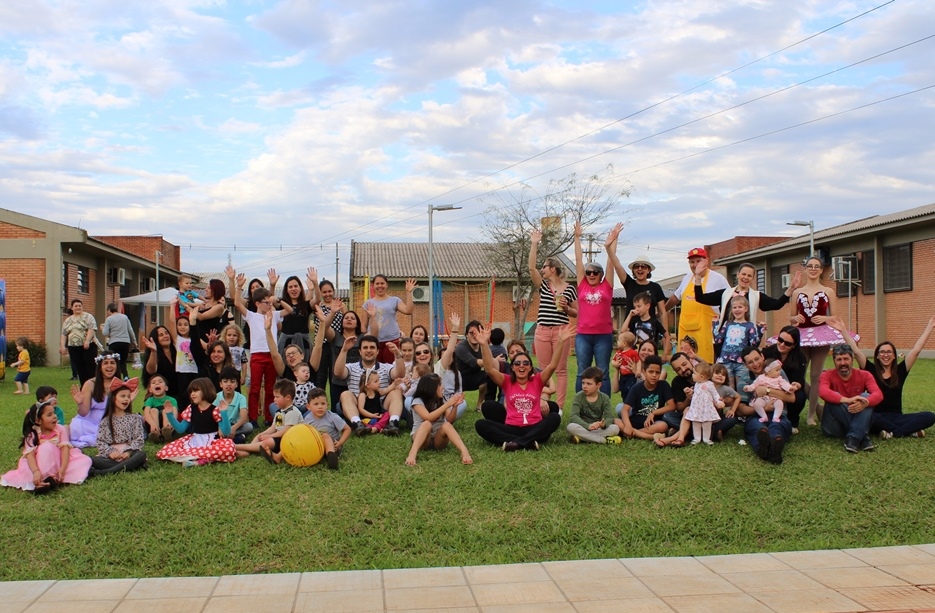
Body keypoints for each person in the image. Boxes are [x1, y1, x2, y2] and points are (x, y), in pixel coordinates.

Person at [833, 317, 935, 439]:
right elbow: (856, 352)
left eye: (889, 352)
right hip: (876, 416)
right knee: (869, 419)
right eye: (882, 352)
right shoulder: (870, 369)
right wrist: (843, 330)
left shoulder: (900, 370)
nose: (885, 355)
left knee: (930, 416)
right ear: (877, 356)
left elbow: (916, 350)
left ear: (893, 356)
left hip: (897, 416)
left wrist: (930, 327)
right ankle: (908, 431)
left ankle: (893, 432)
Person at [474, 324, 572, 451]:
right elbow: (489, 369)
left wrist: (560, 342)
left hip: (534, 425)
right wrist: (483, 344)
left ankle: (515, 443)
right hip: (511, 426)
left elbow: (552, 366)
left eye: (526, 363)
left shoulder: (537, 380)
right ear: (513, 367)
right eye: (517, 363)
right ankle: (529, 441)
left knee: (554, 418)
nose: (522, 366)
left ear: (530, 367)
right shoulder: (507, 381)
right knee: (480, 425)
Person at [793, 255, 857, 426]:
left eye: (817, 266)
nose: (813, 269)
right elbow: (790, 317)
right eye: (810, 266)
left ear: (821, 270)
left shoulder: (828, 291)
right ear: (805, 269)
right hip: (803, 335)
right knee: (798, 373)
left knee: (815, 375)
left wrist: (824, 318)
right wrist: (795, 318)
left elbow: (835, 316)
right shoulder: (797, 292)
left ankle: (811, 415)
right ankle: (815, 406)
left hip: (821, 335)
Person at [694, 261, 801, 351]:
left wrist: (791, 289)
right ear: (738, 274)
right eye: (743, 274)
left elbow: (777, 305)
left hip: (746, 341)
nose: (746, 277)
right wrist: (698, 276)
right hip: (723, 341)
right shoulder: (725, 293)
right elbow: (700, 298)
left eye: (749, 275)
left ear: (752, 278)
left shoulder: (756, 296)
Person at [227, 265, 285, 425]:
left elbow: (286, 309)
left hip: (272, 355)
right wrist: (238, 286)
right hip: (257, 355)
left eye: (269, 301)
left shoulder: (273, 314)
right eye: (265, 302)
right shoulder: (251, 316)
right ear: (258, 303)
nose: (268, 304)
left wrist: (275, 296)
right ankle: (252, 418)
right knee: (254, 388)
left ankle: (268, 417)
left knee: (271, 388)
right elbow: (238, 303)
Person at [529, 228, 578, 406]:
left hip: (561, 331)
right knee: (543, 370)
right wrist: (534, 243)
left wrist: (566, 308)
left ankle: (559, 406)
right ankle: (544, 402)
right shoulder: (543, 285)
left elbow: (576, 312)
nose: (542, 270)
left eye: (545, 267)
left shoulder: (570, 288)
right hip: (542, 331)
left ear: (553, 269)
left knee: (561, 369)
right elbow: (531, 268)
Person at [1, 399, 92, 492]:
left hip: (59, 462)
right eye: (49, 415)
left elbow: (65, 449)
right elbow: (30, 455)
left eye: (54, 413)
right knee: (45, 448)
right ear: (39, 421)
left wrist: (63, 469)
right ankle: (44, 480)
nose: (54, 417)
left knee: (85, 461)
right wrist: (36, 471)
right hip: (39, 466)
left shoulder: (60, 429)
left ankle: (55, 477)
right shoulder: (32, 435)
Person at [572, 221, 618, 395]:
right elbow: (578, 259)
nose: (591, 275)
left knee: (603, 373)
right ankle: (581, 405)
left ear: (601, 276)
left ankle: (603, 407)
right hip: (583, 335)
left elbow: (611, 262)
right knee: (581, 372)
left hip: (603, 337)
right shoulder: (582, 285)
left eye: (595, 273)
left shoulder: (607, 286)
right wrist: (577, 237)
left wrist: (614, 239)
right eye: (588, 272)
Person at [334, 334, 407, 436]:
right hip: (357, 408)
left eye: (372, 347)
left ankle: (393, 424)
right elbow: (337, 373)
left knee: (396, 392)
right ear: (360, 351)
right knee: (345, 394)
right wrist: (344, 350)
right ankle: (358, 425)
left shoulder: (386, 367)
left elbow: (400, 374)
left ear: (377, 351)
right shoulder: (351, 367)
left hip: (381, 407)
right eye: (365, 348)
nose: (368, 350)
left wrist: (397, 354)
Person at [666, 248, 730, 364]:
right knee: (685, 364)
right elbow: (676, 297)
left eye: (698, 261)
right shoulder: (687, 278)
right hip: (685, 331)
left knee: (705, 366)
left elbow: (730, 301)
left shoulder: (718, 279)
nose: (695, 265)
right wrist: (663, 310)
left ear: (706, 261)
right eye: (692, 262)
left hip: (707, 332)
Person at [818, 344, 882, 453]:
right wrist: (846, 400)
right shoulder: (827, 375)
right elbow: (822, 392)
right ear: (834, 361)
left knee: (866, 398)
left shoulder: (865, 375)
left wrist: (866, 403)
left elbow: (878, 394)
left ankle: (853, 437)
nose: (843, 363)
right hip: (834, 427)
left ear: (852, 359)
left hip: (856, 420)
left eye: (846, 359)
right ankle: (862, 436)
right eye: (839, 359)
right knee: (833, 397)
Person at [157, 377, 236, 465]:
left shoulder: (215, 410)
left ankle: (196, 462)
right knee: (166, 450)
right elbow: (180, 429)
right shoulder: (191, 409)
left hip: (212, 441)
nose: (192, 394)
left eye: (195, 391)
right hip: (195, 440)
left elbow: (226, 432)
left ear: (206, 390)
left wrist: (224, 412)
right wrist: (169, 414)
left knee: (227, 449)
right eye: (191, 391)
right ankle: (202, 458)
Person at [739, 347, 795, 464]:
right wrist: (763, 408)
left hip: (779, 415)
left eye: (757, 359)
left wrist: (767, 390)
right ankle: (765, 449)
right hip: (756, 415)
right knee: (758, 428)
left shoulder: (777, 371)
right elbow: (740, 409)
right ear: (745, 365)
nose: (755, 364)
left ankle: (774, 445)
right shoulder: (744, 379)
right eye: (750, 362)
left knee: (777, 427)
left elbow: (791, 397)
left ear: (762, 357)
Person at [405, 374, 473, 466]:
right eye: (440, 385)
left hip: (438, 440)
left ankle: (464, 451)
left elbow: (450, 419)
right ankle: (412, 453)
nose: (443, 387)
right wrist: (448, 404)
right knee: (427, 424)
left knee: (447, 425)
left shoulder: (441, 400)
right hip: (422, 440)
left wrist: (455, 406)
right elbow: (428, 417)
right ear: (431, 388)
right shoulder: (418, 401)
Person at [90, 378, 147, 477]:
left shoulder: (134, 418)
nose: (126, 399)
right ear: (113, 398)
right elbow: (101, 441)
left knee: (141, 455)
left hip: (129, 454)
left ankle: (105, 472)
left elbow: (138, 439)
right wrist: (110, 452)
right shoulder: (105, 421)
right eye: (123, 396)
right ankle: (130, 466)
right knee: (92, 460)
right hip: (111, 457)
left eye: (128, 397)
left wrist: (128, 452)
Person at [236, 379, 302, 461]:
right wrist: (264, 434)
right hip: (279, 438)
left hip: (289, 440)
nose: (274, 400)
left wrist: (270, 436)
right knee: (259, 436)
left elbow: (286, 431)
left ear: (288, 397)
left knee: (267, 442)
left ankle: (237, 446)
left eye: (277, 397)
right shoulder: (279, 412)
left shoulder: (292, 412)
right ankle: (247, 451)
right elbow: (274, 427)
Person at [615, 355, 674, 442]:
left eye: (657, 372)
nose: (654, 375)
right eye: (651, 372)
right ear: (644, 371)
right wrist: (628, 425)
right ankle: (649, 436)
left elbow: (672, 406)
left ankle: (633, 433)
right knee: (615, 421)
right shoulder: (636, 388)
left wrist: (653, 413)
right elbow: (625, 409)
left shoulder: (663, 385)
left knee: (663, 426)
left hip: (653, 422)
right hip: (637, 419)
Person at [360, 275, 417, 364]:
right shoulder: (368, 303)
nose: (380, 286)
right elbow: (363, 325)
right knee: (375, 369)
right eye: (377, 284)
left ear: (387, 285)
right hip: (374, 342)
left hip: (392, 341)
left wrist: (409, 292)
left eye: (382, 283)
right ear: (373, 285)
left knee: (391, 369)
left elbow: (408, 310)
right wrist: (365, 338)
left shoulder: (394, 300)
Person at [69, 353, 121, 448]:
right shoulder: (90, 384)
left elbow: (121, 412)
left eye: (112, 363)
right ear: (100, 367)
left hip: (110, 421)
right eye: (105, 363)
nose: (109, 366)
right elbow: (84, 412)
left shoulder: (121, 385)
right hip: (89, 422)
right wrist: (80, 403)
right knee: (74, 427)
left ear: (117, 366)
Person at [762, 326, 808, 432]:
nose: (782, 344)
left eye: (787, 343)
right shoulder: (768, 352)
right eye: (780, 340)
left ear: (794, 345)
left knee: (800, 396)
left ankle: (792, 420)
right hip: (768, 385)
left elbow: (799, 379)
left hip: (788, 387)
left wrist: (796, 385)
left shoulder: (799, 357)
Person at [714, 295, 761, 390]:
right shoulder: (727, 323)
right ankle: (732, 405)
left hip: (741, 362)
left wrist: (760, 330)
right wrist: (715, 325)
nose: (737, 309)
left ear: (746, 309)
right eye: (734, 307)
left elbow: (754, 344)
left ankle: (742, 404)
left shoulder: (749, 325)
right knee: (729, 389)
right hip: (726, 360)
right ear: (731, 310)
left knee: (741, 388)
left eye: (740, 307)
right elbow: (718, 340)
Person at [567, 367, 621, 444]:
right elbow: (573, 416)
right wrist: (588, 426)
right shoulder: (578, 396)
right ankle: (604, 440)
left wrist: (603, 424)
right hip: (583, 426)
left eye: (589, 384)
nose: (584, 386)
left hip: (597, 428)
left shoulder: (604, 397)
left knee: (615, 428)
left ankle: (582, 437)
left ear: (598, 385)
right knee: (571, 427)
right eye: (583, 383)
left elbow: (609, 417)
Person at [310, 274, 344, 394]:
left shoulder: (341, 305)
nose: (327, 294)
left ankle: (335, 407)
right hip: (321, 346)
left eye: (330, 291)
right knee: (320, 377)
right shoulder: (318, 306)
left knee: (335, 377)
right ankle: (318, 402)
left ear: (334, 291)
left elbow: (345, 323)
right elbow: (322, 326)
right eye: (324, 292)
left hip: (336, 345)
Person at [303, 388, 350, 460]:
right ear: (308, 407)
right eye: (316, 404)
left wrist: (340, 442)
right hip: (317, 446)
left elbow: (347, 429)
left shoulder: (333, 417)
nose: (320, 407)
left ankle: (331, 457)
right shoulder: (307, 418)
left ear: (327, 405)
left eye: (323, 403)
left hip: (334, 446)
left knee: (324, 435)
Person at [60, 298, 99, 385]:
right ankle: (84, 386)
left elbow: (91, 329)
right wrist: (62, 346)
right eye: (76, 306)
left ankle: (93, 385)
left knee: (90, 367)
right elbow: (63, 334)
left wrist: (87, 341)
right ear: (72, 308)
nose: (78, 307)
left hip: (88, 346)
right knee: (80, 367)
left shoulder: (88, 317)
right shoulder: (68, 320)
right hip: (73, 347)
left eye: (79, 306)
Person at [455, 320, 492, 408]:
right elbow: (474, 363)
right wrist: (493, 361)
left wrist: (485, 343)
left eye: (477, 332)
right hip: (459, 378)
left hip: (475, 375)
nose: (475, 335)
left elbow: (490, 359)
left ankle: (480, 405)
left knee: (489, 376)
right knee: (459, 407)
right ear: (466, 335)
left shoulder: (483, 345)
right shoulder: (461, 347)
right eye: (472, 332)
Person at [684, 363, 723, 445]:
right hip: (696, 408)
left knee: (707, 424)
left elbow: (715, 394)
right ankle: (697, 438)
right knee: (696, 423)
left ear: (701, 376)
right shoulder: (696, 384)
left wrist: (719, 401)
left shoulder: (709, 384)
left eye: (694, 373)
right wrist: (689, 391)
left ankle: (706, 438)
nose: (692, 375)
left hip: (706, 408)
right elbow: (695, 392)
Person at [277, 273, 314, 361]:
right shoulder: (282, 305)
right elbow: (270, 302)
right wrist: (272, 285)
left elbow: (317, 300)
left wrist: (314, 286)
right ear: (286, 290)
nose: (293, 289)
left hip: (304, 344)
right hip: (286, 344)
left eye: (295, 286)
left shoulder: (305, 305)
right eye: (290, 287)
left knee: (303, 369)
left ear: (300, 288)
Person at [622, 292, 670, 357]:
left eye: (639, 306)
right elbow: (623, 331)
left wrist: (665, 353)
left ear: (647, 306)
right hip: (637, 355)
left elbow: (667, 336)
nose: (636, 309)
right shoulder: (635, 321)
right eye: (635, 307)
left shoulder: (655, 322)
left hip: (651, 356)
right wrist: (630, 316)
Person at [356, 370, 402, 435]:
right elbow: (361, 409)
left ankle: (375, 429)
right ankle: (378, 428)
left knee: (387, 414)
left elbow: (386, 390)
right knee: (364, 423)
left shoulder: (377, 392)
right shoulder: (363, 395)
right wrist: (372, 415)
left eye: (378, 380)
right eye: (376, 381)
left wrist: (394, 384)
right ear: (368, 385)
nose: (379, 383)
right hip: (368, 419)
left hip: (378, 418)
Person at [215, 366, 251, 444]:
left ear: (237, 384)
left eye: (232, 381)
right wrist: (219, 428)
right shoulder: (217, 397)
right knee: (208, 426)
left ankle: (223, 438)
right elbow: (212, 416)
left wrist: (233, 428)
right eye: (225, 381)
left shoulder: (241, 398)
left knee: (249, 427)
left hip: (235, 425)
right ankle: (235, 439)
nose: (229, 384)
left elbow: (244, 417)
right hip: (221, 424)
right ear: (221, 384)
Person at [143, 325, 177, 400]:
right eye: (161, 335)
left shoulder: (177, 352)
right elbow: (151, 370)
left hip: (178, 395)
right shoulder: (154, 355)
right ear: (156, 339)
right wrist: (153, 351)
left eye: (166, 333)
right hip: (160, 397)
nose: (165, 336)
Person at [100, 304, 134, 379]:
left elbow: (105, 333)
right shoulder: (125, 317)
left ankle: (116, 377)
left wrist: (102, 328)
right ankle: (125, 376)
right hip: (125, 342)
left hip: (114, 342)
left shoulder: (109, 319)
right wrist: (134, 341)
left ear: (109, 310)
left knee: (114, 360)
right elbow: (130, 330)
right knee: (123, 361)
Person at [142, 374, 177, 444]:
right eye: (153, 382)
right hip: (153, 424)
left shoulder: (172, 400)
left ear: (166, 388)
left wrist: (172, 422)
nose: (157, 383)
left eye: (160, 382)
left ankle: (167, 432)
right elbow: (146, 413)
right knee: (153, 410)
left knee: (165, 411)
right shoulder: (150, 400)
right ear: (150, 390)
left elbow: (175, 411)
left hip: (169, 424)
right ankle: (156, 434)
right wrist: (152, 424)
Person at [610, 331, 639, 403]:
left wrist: (637, 370)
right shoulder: (618, 352)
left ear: (624, 343)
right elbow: (612, 361)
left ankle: (629, 403)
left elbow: (638, 361)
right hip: (622, 375)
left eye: (619, 340)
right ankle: (625, 402)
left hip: (631, 375)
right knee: (623, 389)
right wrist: (616, 364)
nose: (617, 342)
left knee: (629, 389)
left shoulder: (633, 352)